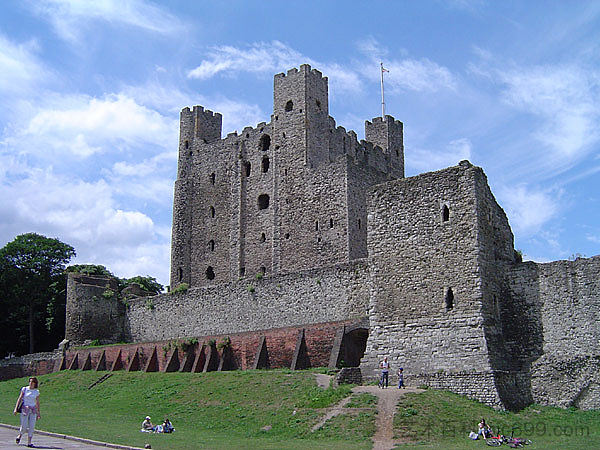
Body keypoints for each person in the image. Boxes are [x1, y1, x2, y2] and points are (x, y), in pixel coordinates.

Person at [14, 376, 41, 448]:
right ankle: (20, 435)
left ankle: (29, 442)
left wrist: (38, 413)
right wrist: (16, 409)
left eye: (32, 382)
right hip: (25, 409)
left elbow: (37, 402)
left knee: (32, 426)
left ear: (35, 383)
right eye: (30, 381)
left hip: (33, 410)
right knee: (24, 426)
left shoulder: (36, 392)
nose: (31, 383)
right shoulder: (25, 389)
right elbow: (19, 398)